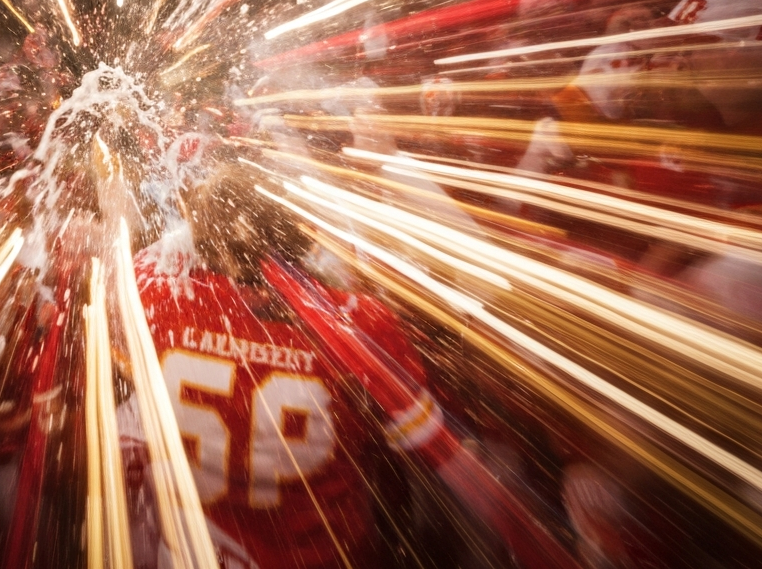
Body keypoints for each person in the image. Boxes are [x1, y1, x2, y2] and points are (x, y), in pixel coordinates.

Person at [125, 162, 577, 569]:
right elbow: (436, 459)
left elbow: (150, 259)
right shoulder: (354, 326)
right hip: (319, 555)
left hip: (182, 552)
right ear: (291, 233)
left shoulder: (152, 297)